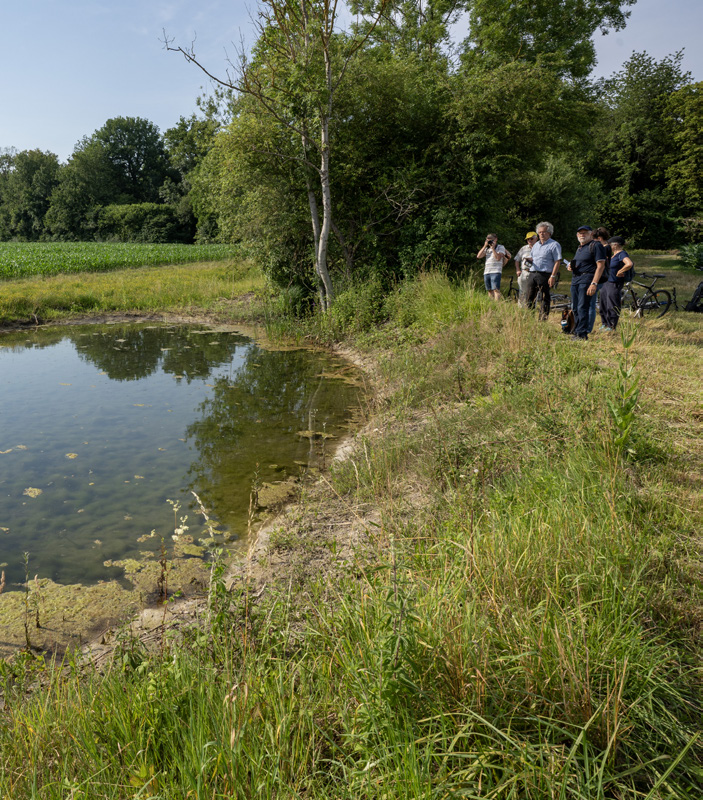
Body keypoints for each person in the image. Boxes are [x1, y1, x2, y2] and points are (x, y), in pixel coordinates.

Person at [569, 225, 607, 340]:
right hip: (576, 279)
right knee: (575, 307)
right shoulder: (580, 247)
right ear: (577, 235)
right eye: (580, 233)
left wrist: (594, 283)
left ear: (591, 234)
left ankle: (582, 334)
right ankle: (576, 330)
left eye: (585, 233)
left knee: (583, 307)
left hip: (587, 280)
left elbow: (601, 265)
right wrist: (572, 267)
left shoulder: (596, 246)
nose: (582, 235)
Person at [525, 222, 561, 319]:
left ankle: (543, 319)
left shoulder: (554, 245)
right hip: (533, 273)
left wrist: (553, 276)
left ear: (549, 233)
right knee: (529, 296)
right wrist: (529, 261)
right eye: (540, 232)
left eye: (544, 232)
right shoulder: (536, 245)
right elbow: (534, 258)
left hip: (545, 274)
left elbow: (557, 261)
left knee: (545, 297)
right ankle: (529, 317)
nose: (541, 234)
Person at [599, 236, 633, 331]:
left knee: (612, 304)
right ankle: (604, 323)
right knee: (603, 303)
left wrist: (620, 271)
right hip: (606, 282)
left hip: (614, 283)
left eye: (610, 244)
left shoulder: (621, 254)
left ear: (615, 245)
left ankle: (612, 325)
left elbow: (629, 264)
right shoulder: (611, 255)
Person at [587, 227, 612, 333]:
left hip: (602, 276)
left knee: (598, 302)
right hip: (602, 276)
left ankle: (606, 324)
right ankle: (604, 322)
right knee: (600, 301)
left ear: (599, 238)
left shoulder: (604, 248)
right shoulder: (604, 247)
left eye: (594, 239)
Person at [477, 234, 511, 301]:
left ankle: (497, 304)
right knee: (489, 290)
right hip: (487, 271)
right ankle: (491, 304)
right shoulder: (487, 248)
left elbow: (498, 258)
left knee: (496, 289)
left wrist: (493, 248)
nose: (490, 242)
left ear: (496, 239)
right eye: (488, 240)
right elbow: (478, 256)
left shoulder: (500, 247)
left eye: (491, 240)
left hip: (496, 271)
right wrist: (485, 246)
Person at [513, 231, 537, 307]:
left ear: (536, 239)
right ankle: (521, 309)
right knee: (522, 291)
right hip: (524, 272)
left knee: (533, 292)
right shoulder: (524, 248)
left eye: (531, 239)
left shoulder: (540, 248)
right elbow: (517, 259)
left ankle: (531, 308)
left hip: (535, 273)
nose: (529, 240)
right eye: (528, 239)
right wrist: (518, 270)